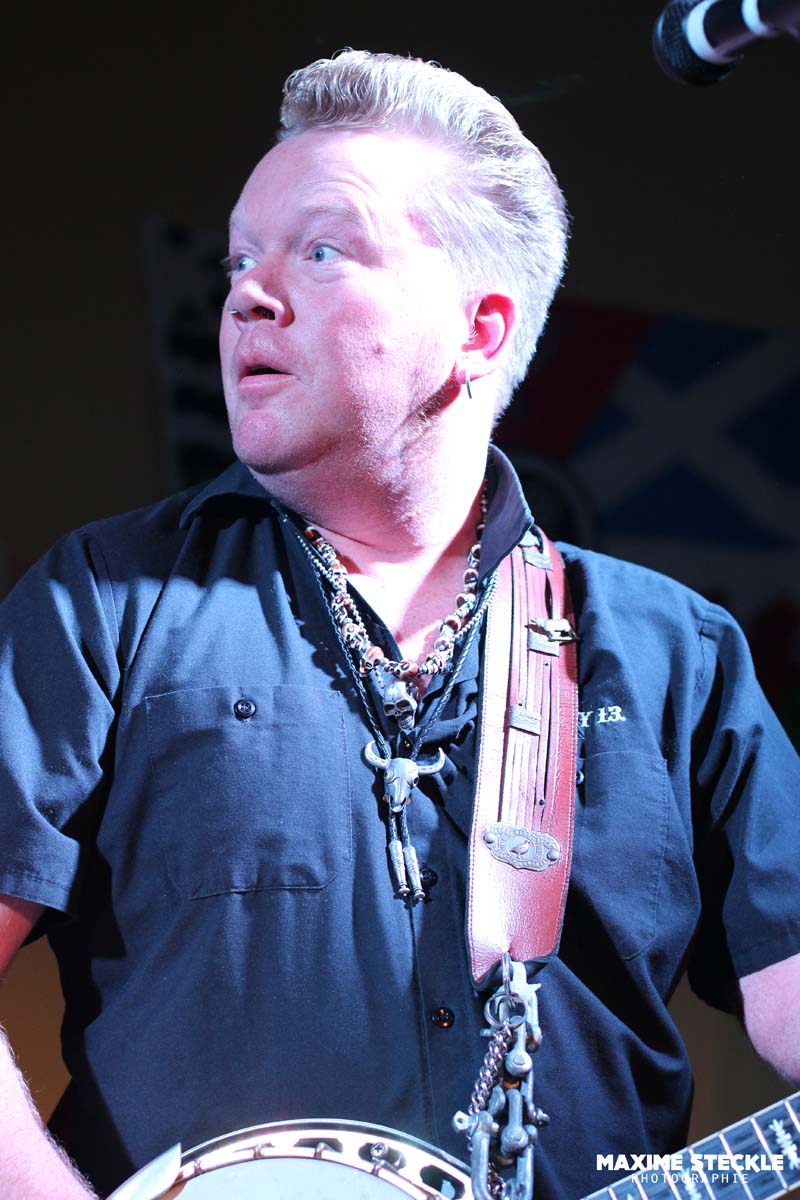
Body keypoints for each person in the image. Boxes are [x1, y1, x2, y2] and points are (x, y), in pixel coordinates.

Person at [1, 48, 798, 1200]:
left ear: (479, 332)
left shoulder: (673, 652)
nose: (248, 294)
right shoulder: (99, 601)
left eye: (321, 250)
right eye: (238, 259)